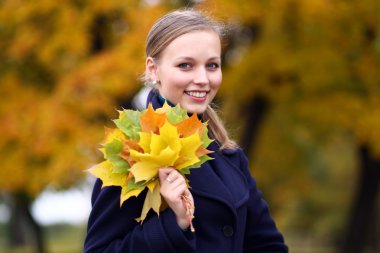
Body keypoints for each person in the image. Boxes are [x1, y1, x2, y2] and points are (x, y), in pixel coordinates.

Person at [84, 8, 288, 253]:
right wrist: (174, 224)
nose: (203, 78)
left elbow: (267, 245)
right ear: (153, 69)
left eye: (212, 65)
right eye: (185, 65)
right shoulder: (132, 153)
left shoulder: (229, 155)